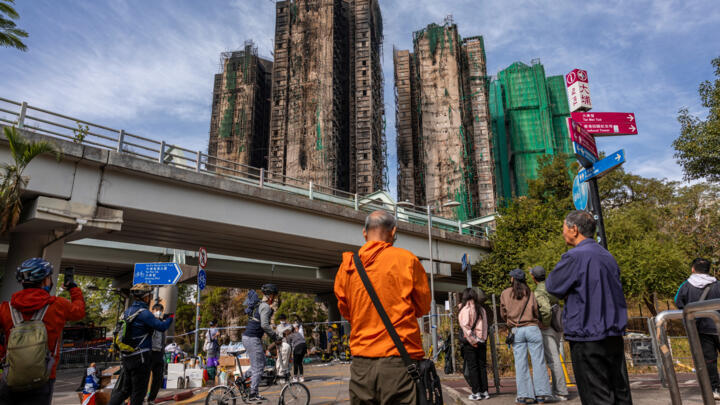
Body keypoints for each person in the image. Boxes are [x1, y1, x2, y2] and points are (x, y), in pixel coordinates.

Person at [334, 210, 431, 405]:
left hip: (361, 364)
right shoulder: (407, 260)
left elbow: (347, 313)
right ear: (393, 231)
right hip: (400, 362)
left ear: (364, 233)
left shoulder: (347, 267)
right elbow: (422, 308)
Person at [546, 210, 631, 405]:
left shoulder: (574, 257)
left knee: (596, 395)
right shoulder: (607, 255)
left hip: (587, 334)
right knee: (619, 391)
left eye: (564, 228)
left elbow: (553, 286)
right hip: (613, 333)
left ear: (574, 229)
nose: (563, 233)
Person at [0, 257, 85, 404]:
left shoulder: (5, 308)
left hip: (10, 377)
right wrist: (74, 289)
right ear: (46, 280)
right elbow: (79, 311)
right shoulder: (59, 305)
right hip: (43, 378)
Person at [108, 283, 173, 405]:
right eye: (149, 295)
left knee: (124, 390)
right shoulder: (144, 313)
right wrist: (170, 318)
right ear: (145, 297)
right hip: (140, 358)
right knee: (138, 392)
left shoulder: (127, 312)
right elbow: (162, 327)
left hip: (127, 356)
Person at [501, 268, 552, 404]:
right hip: (532, 329)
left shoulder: (505, 293)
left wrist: (510, 320)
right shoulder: (530, 292)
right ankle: (542, 394)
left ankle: (525, 396)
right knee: (538, 362)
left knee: (521, 363)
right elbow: (536, 310)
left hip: (516, 330)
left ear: (512, 279)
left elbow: (503, 313)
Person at [675, 258, 720, 399]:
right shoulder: (717, 285)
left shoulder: (686, 286)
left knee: (709, 361)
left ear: (693, 269)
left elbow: (678, 302)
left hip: (701, 329)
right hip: (718, 326)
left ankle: (715, 389)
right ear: (708, 270)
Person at [530, 266, 569, 401]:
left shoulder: (539, 291)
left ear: (533, 277)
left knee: (553, 360)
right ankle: (556, 389)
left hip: (548, 328)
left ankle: (561, 392)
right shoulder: (551, 286)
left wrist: (544, 324)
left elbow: (545, 309)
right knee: (556, 357)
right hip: (558, 325)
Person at [242, 283, 281, 402]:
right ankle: (253, 393)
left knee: (262, 363)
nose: (275, 299)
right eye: (274, 296)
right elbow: (264, 325)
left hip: (251, 338)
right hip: (252, 338)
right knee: (258, 367)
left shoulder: (260, 305)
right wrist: (275, 336)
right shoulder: (265, 307)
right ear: (270, 296)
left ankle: (242, 379)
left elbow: (261, 325)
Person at [458, 287, 490, 401]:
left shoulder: (465, 309)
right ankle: (485, 391)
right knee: (482, 367)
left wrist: (473, 341)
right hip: (482, 342)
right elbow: (485, 326)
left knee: (473, 368)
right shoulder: (481, 309)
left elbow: (465, 327)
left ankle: (476, 392)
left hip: (471, 343)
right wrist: (482, 339)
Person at [147, 302, 168, 404]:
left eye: (161, 310)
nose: (159, 312)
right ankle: (138, 398)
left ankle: (151, 399)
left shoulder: (162, 323)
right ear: (153, 311)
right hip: (149, 353)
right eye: (157, 310)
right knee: (144, 377)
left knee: (158, 377)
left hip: (159, 353)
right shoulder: (149, 322)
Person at [276, 314, 292, 379]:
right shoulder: (278, 327)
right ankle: (279, 373)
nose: (282, 321)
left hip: (286, 344)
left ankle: (284, 374)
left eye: (283, 319)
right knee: (279, 359)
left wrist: (283, 333)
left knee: (285, 360)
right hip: (279, 344)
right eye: (281, 319)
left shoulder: (289, 326)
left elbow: (287, 332)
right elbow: (276, 335)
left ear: (285, 319)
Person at [205, 319, 221, 384]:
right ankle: (211, 379)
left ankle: (215, 378)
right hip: (211, 348)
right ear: (215, 324)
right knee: (210, 364)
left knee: (215, 363)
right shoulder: (209, 330)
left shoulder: (214, 329)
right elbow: (210, 339)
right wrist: (216, 335)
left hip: (215, 348)